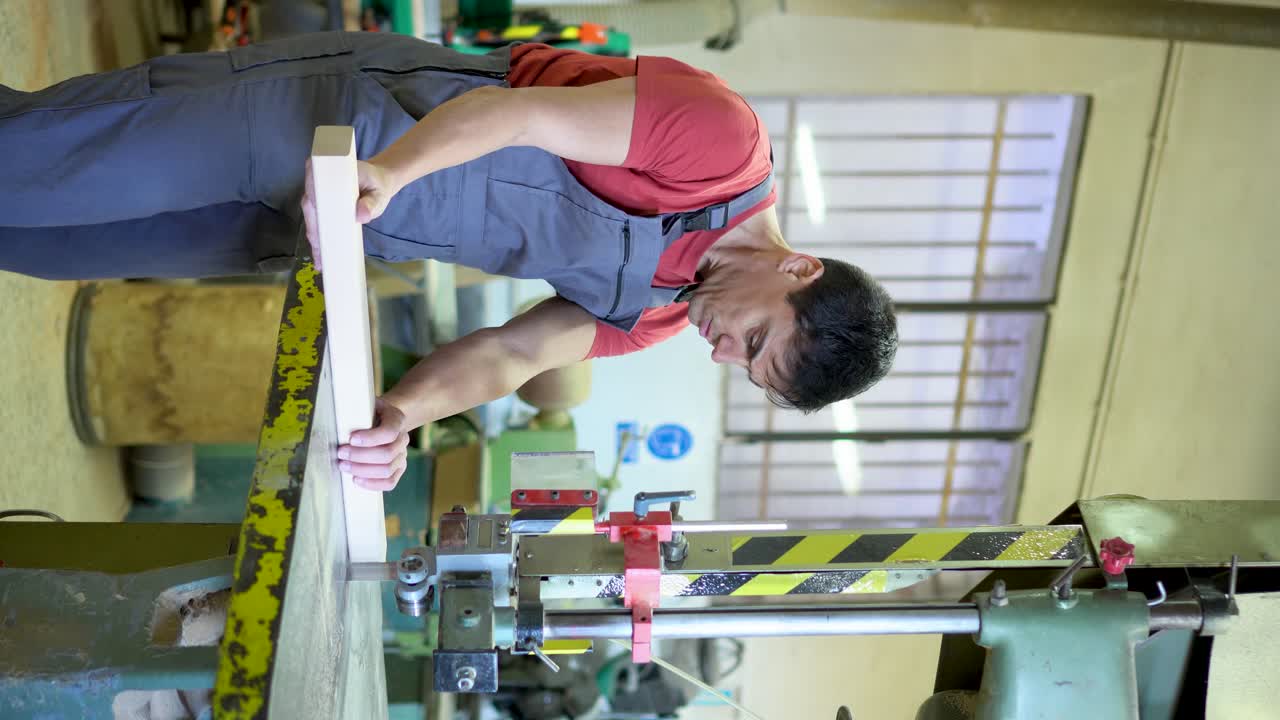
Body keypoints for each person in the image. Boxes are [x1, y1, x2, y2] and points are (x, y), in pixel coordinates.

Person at [0, 31, 897, 490]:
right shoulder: (718, 146)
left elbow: (513, 355)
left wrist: (404, 413)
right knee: (26, 171)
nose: (720, 353)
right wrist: (388, 171)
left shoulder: (659, 312)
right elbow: (520, 117)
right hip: (334, 129)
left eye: (744, 370)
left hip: (316, 229)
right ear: (799, 271)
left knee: (38, 241)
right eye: (752, 343)